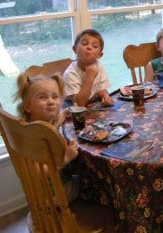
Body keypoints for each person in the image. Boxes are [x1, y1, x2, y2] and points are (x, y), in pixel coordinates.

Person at [14, 72, 79, 203]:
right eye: (42, 98)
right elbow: (39, 173)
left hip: (51, 190)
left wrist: (62, 116)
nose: (51, 102)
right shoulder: (34, 137)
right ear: (27, 106)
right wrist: (66, 158)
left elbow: (51, 129)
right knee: (86, 180)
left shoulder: (36, 126)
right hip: (55, 195)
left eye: (55, 97)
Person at [63, 29, 114, 107]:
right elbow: (79, 104)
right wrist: (90, 78)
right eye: (84, 43)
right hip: (73, 112)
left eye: (95, 46)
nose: (89, 47)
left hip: (90, 106)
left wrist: (105, 96)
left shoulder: (97, 65)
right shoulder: (70, 74)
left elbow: (100, 88)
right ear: (75, 49)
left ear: (99, 55)